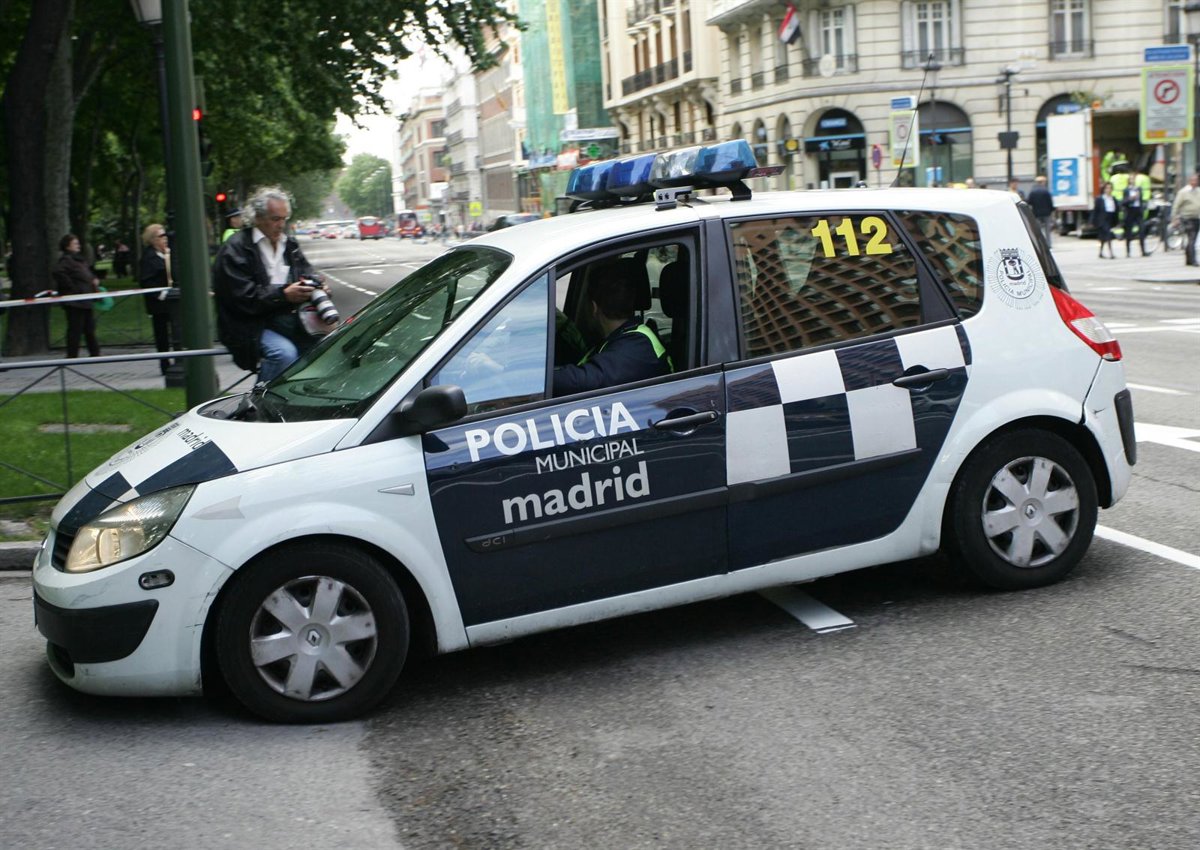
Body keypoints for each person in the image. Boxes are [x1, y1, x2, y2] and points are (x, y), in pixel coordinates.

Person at [211, 186, 323, 381]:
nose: (281, 225)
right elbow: (242, 298)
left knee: (325, 349)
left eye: (284, 219)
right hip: (248, 325)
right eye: (275, 219)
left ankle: (298, 397)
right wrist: (284, 295)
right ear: (257, 218)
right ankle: (261, 399)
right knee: (284, 354)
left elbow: (306, 271)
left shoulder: (289, 244)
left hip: (288, 320)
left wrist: (317, 284)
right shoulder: (235, 249)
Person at [552, 261, 671, 396]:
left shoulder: (637, 346)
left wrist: (536, 378)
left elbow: (584, 380)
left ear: (594, 307)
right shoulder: (622, 338)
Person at [138, 223, 182, 374]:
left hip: (172, 300)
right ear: (153, 240)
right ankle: (165, 364)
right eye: (161, 236)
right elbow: (145, 281)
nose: (165, 238)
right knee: (162, 334)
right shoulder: (148, 257)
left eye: (165, 235)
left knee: (178, 330)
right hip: (158, 303)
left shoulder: (168, 253)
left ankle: (180, 358)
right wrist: (161, 294)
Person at [51, 233, 101, 358]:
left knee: (89, 328)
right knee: (75, 329)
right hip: (75, 301)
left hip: (85, 298)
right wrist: (72, 287)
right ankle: (72, 355)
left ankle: (94, 353)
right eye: (75, 243)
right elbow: (58, 272)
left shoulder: (79, 260)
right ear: (67, 246)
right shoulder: (66, 260)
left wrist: (93, 279)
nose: (78, 245)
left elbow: (87, 273)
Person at [1171, 172, 1200, 266]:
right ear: (1189, 181)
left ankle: (1188, 259)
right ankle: (1193, 260)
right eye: (1193, 180)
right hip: (1187, 218)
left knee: (1192, 239)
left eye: (1196, 180)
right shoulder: (1183, 192)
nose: (1195, 182)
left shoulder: (1198, 191)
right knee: (1192, 238)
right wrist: (1174, 218)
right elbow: (1176, 206)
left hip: (1196, 218)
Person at [1120, 173, 1147, 257]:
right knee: (1129, 232)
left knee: (1142, 230)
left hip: (1138, 211)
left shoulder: (1138, 189)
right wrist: (1131, 199)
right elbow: (1123, 202)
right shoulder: (1126, 190)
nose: (1133, 180)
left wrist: (1142, 208)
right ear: (1128, 181)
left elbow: (1141, 200)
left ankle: (1143, 251)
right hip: (1130, 211)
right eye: (1131, 179)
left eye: (1134, 179)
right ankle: (1128, 252)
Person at [1091, 182, 1118, 259]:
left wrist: (1116, 221)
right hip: (1102, 219)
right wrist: (1093, 221)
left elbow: (1116, 210)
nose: (1108, 190)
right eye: (1107, 188)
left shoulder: (1113, 199)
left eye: (1110, 188)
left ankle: (1100, 252)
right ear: (1104, 189)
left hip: (1110, 218)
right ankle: (1111, 253)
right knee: (1108, 234)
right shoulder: (1100, 199)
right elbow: (1095, 211)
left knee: (1103, 237)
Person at [1027, 176, 1055, 246]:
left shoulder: (1033, 192)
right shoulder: (1046, 191)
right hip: (1046, 213)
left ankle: (1040, 244)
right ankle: (1048, 244)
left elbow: (1029, 202)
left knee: (1038, 230)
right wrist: (1051, 210)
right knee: (1047, 230)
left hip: (1036, 213)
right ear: (1043, 182)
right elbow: (1050, 202)